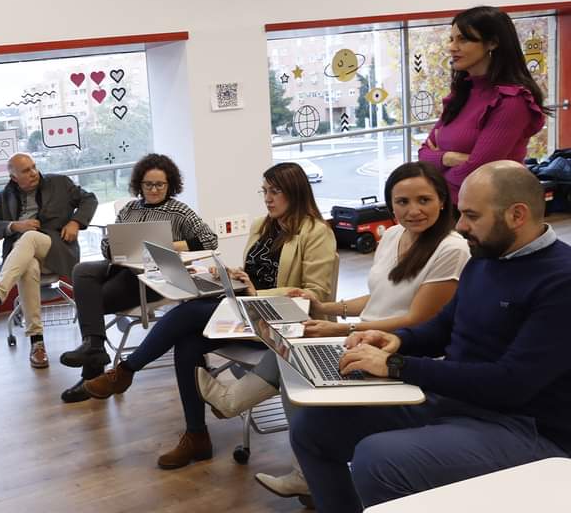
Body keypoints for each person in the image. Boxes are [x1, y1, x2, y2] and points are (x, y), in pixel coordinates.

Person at [289, 161, 571, 513]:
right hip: (459, 400)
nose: (461, 225)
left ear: (517, 215)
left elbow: (511, 383)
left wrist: (396, 364)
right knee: (314, 429)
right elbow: (442, 328)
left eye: (471, 215)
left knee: (379, 460)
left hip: (527, 428)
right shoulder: (486, 257)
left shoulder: (561, 281)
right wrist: (397, 341)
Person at [196, 161, 470, 505]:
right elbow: (380, 297)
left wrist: (341, 328)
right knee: (291, 351)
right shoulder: (395, 236)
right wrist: (325, 308)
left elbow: (417, 320)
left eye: (424, 200)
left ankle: (246, 414)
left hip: (397, 349)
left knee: (293, 353)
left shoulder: (452, 249)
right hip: (363, 334)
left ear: (443, 201)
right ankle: (297, 465)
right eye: (402, 202)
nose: (412, 211)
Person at [81, 162, 336, 469]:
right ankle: (196, 436)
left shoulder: (317, 233)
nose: (268, 198)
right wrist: (231, 275)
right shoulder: (263, 225)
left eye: (275, 191)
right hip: (250, 309)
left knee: (186, 313)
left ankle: (125, 371)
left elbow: (314, 296)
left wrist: (255, 293)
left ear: (295, 192)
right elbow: (254, 275)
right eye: (265, 191)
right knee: (187, 343)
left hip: (282, 321)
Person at [58, 153, 218, 403]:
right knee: (82, 270)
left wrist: (172, 245)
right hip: (122, 266)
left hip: (153, 276)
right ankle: (95, 348)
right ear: (139, 185)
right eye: (148, 184)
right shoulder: (130, 208)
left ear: (170, 184)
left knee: (91, 300)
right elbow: (107, 243)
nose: (153, 190)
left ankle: (92, 369)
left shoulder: (179, 211)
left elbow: (210, 239)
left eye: (159, 185)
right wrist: (114, 249)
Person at [0, 153, 98, 368]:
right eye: (26, 171)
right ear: (13, 177)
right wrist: (14, 226)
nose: (33, 173)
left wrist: (76, 222)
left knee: (30, 238)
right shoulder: (5, 196)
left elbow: (89, 199)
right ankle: (37, 343)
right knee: (28, 267)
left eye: (34, 167)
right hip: (22, 258)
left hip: (57, 247)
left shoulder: (59, 183)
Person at [418, 5, 549, 204]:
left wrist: (439, 166)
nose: (452, 47)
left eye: (463, 39)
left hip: (488, 213)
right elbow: (423, 154)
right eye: (451, 39)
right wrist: (451, 158)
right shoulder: (462, 93)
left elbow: (477, 173)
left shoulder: (512, 100)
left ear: (493, 43)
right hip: (450, 208)